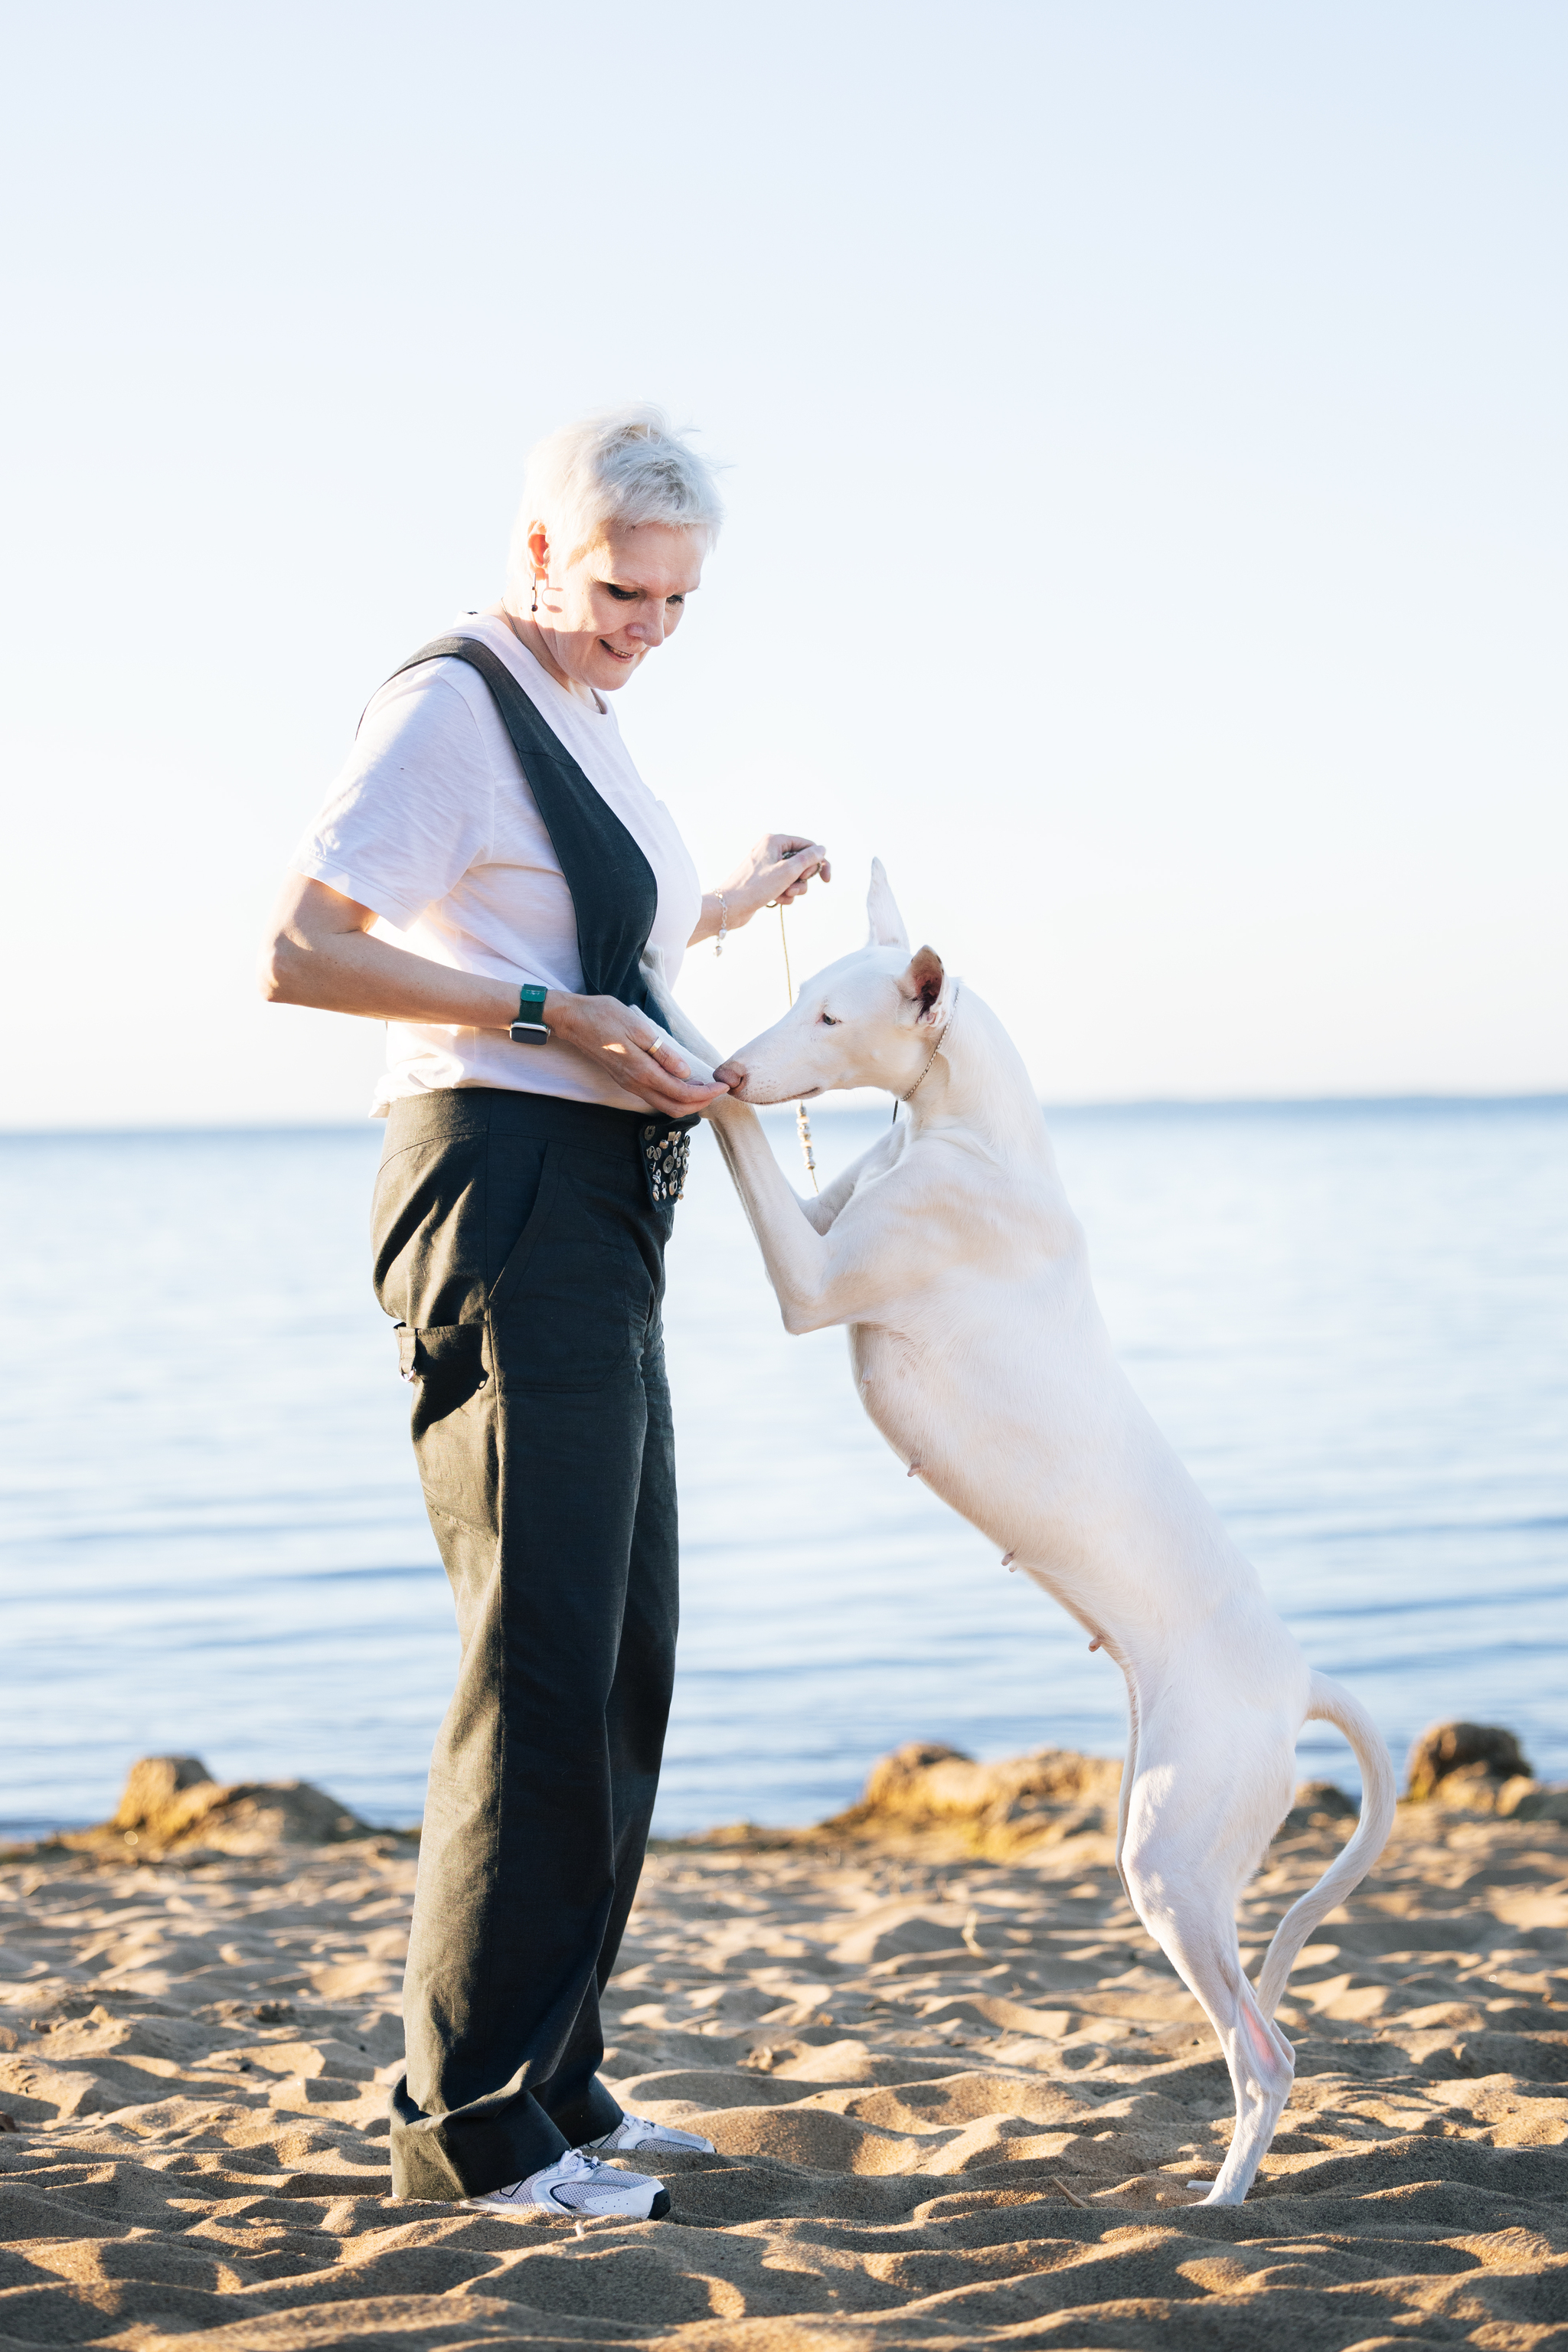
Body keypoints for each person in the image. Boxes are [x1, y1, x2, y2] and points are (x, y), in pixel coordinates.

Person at [260, 407, 829, 2222]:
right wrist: (546, 1025)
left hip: (598, 1199)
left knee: (617, 1657)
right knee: (537, 1655)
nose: (643, 628)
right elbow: (302, 948)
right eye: (614, 590)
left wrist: (727, 902)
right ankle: (474, 2131)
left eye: (673, 602)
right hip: (495, 1186)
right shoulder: (451, 702)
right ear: (531, 554)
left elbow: (586, 946)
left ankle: (558, 2088)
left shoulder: (584, 721)